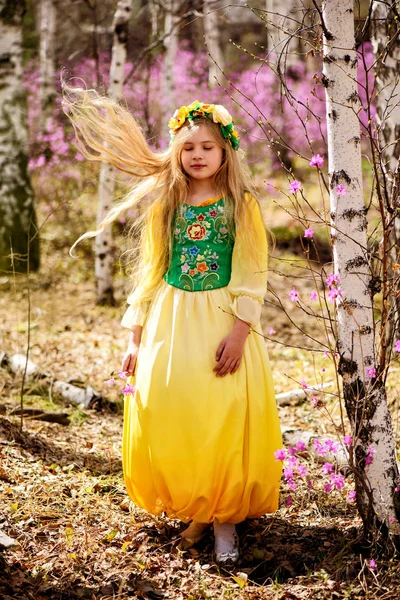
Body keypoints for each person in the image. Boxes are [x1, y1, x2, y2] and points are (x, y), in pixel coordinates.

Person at [63, 93, 282, 566]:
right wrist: (135, 336)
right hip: (171, 319)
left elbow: (252, 271)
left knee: (220, 413)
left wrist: (241, 330)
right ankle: (197, 505)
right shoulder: (169, 203)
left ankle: (224, 521)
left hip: (222, 320)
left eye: (207, 146)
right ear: (176, 153)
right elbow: (151, 269)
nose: (197, 155)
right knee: (176, 408)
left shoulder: (241, 205)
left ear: (225, 151)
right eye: (188, 148)